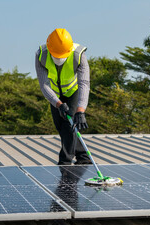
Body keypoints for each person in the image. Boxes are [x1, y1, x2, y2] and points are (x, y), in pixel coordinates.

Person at [35, 28, 91, 165]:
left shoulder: (78, 55)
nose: (59, 58)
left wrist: (80, 110)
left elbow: (84, 83)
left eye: (62, 55)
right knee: (61, 126)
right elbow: (44, 85)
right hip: (54, 95)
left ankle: (65, 162)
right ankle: (84, 157)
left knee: (69, 125)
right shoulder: (41, 55)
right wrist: (58, 104)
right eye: (56, 55)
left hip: (72, 92)